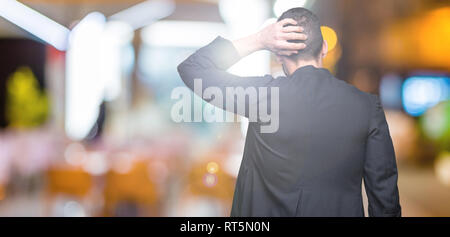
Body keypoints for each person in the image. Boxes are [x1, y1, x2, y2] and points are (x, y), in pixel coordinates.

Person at [177, 7, 401, 217]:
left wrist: (259, 40)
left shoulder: (263, 97)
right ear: (324, 48)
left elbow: (192, 68)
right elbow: (384, 198)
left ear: (278, 54)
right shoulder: (366, 107)